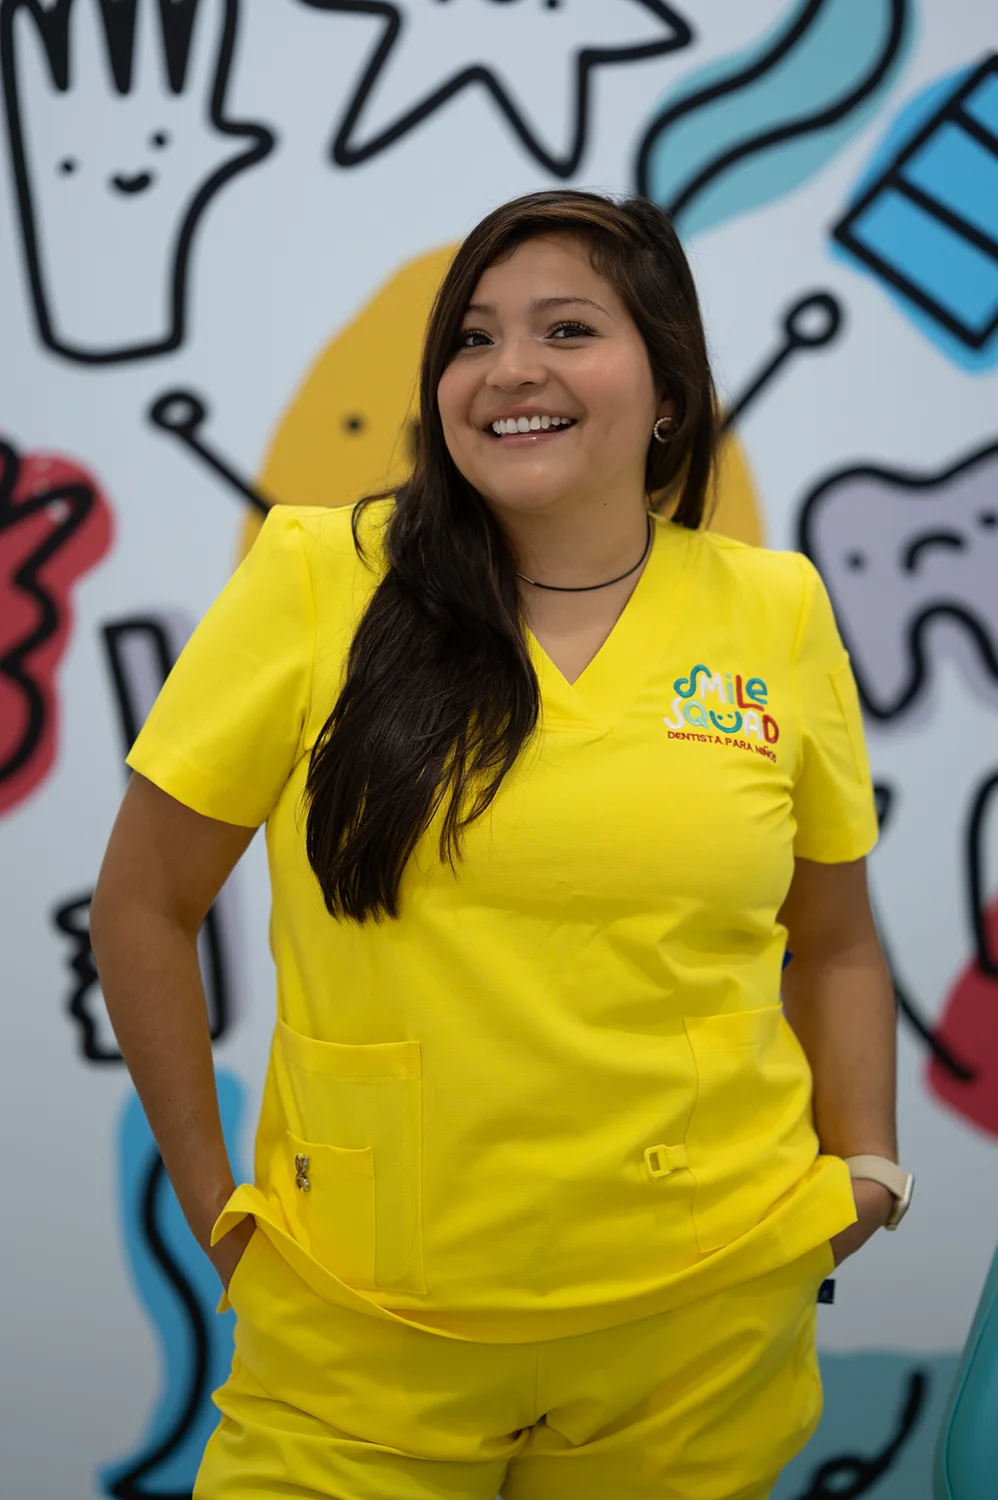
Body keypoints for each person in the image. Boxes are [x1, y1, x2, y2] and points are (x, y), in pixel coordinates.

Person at [91, 190, 913, 1500]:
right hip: (363, 1320)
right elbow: (142, 904)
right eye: (471, 339)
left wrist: (864, 1168)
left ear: (668, 391)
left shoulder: (775, 606)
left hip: (699, 1327)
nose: (509, 369)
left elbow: (837, 938)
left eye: (567, 328)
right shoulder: (317, 574)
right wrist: (217, 1218)